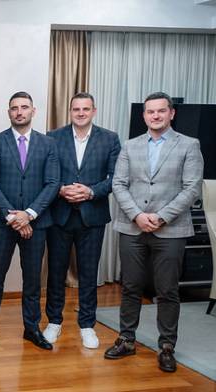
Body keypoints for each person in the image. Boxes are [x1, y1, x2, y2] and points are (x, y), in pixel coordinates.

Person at [106, 92, 203, 372]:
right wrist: (137, 215)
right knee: (131, 287)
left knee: (167, 290)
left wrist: (161, 217)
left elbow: (192, 188)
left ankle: (167, 346)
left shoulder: (189, 145)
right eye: (150, 112)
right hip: (132, 227)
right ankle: (126, 339)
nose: (156, 116)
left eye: (161, 111)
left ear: (171, 113)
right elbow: (119, 184)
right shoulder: (130, 146)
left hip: (171, 230)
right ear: (144, 115)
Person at [0, 91, 60, 350]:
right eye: (14, 108)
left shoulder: (48, 144)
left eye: (24, 107)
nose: (19, 112)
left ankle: (32, 329)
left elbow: (52, 183)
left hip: (37, 223)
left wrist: (29, 215)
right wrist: (14, 217)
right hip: (2, 223)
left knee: (33, 280)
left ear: (33, 111)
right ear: (9, 112)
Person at [43, 92, 121, 349]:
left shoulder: (109, 139)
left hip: (92, 216)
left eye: (85, 109)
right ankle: (54, 322)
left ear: (93, 111)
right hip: (60, 215)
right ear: (70, 111)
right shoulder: (53, 137)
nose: (80, 113)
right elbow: (46, 173)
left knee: (88, 273)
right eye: (76, 109)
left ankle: (87, 325)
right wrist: (60, 189)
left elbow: (116, 178)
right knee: (56, 272)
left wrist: (90, 191)